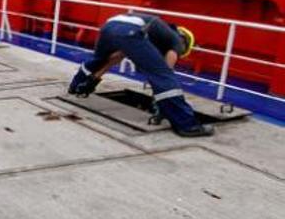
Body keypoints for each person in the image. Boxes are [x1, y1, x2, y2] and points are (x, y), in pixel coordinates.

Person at [68, 12, 214, 137]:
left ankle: (76, 86)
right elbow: (166, 70)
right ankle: (187, 126)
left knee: (98, 59)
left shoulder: (154, 34)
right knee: (164, 76)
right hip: (131, 30)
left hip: (110, 25)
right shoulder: (176, 40)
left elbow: (117, 56)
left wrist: (93, 79)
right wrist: (160, 97)